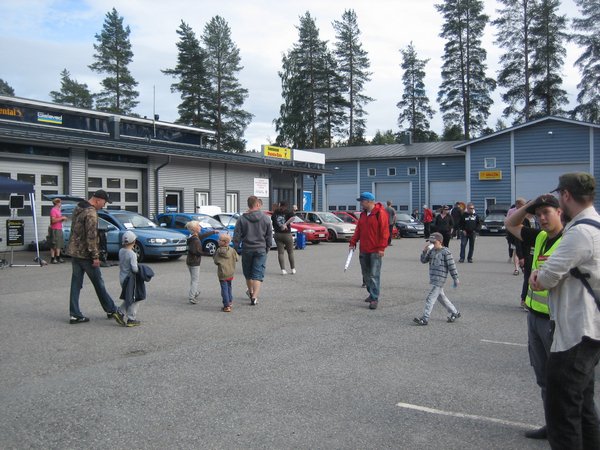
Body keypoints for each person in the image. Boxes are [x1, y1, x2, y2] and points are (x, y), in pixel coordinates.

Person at [529, 173, 600, 449]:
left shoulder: (579, 233)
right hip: (591, 327)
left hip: (575, 332)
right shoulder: (596, 225)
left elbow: (545, 278)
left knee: (562, 414)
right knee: (583, 407)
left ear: (566, 195)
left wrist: (537, 275)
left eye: (560, 195)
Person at [505, 194, 564, 441]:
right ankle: (553, 425)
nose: (542, 218)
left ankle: (571, 429)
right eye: (538, 215)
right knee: (544, 378)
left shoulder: (569, 241)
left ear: (560, 212)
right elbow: (511, 224)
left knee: (564, 380)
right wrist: (529, 205)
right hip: (535, 317)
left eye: (546, 213)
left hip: (557, 321)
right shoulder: (539, 236)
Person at [67, 189, 125, 325]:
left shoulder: (79, 207)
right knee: (98, 283)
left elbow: (74, 229)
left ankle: (74, 314)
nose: (104, 205)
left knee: (76, 284)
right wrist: (95, 256)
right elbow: (91, 236)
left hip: (75, 252)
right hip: (86, 255)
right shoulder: (91, 213)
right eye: (104, 202)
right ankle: (111, 309)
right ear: (98, 200)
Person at [349, 192, 389, 310]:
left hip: (375, 250)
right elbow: (358, 230)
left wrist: (381, 248)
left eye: (362, 201)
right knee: (366, 275)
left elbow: (385, 232)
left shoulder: (380, 213)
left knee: (374, 275)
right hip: (364, 249)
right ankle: (371, 293)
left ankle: (374, 298)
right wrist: (353, 242)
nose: (361, 203)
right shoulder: (363, 214)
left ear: (369, 201)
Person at [413, 232, 460, 326]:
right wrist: (424, 251)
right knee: (441, 297)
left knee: (430, 298)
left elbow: (452, 266)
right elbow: (423, 260)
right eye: (431, 242)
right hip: (433, 278)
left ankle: (425, 318)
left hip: (440, 279)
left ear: (440, 241)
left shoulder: (446, 252)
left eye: (434, 242)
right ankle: (454, 312)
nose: (432, 244)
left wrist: (455, 278)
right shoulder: (431, 251)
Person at [233, 195, 272, 306]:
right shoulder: (266, 218)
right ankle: (254, 297)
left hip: (247, 249)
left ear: (248, 205)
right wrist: (267, 247)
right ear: (258, 204)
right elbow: (269, 236)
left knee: (248, 273)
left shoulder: (241, 219)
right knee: (258, 274)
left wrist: (235, 249)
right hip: (261, 249)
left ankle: (250, 291)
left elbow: (237, 236)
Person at [186, 220, 218, 305]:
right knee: (195, 280)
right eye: (198, 226)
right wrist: (208, 253)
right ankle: (192, 297)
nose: (200, 227)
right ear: (195, 228)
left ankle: (195, 292)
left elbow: (203, 236)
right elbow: (196, 251)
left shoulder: (193, 236)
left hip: (190, 261)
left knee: (193, 279)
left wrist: (213, 232)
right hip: (194, 262)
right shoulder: (195, 240)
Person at [118, 230, 141, 327]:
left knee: (128, 297)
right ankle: (131, 318)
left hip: (122, 278)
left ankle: (120, 312)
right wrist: (140, 269)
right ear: (134, 241)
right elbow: (135, 269)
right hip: (130, 280)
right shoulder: (132, 254)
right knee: (134, 298)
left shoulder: (121, 251)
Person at [213, 233, 239, 312]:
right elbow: (237, 258)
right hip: (230, 272)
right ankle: (230, 302)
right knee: (229, 287)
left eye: (219, 240)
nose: (218, 240)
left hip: (222, 273)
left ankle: (226, 305)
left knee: (224, 289)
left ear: (224, 242)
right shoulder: (232, 250)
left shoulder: (218, 251)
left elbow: (216, 261)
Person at [271, 201, 296, 275]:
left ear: (279, 205)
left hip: (277, 234)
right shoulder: (288, 212)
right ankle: (293, 269)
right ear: (286, 206)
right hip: (287, 234)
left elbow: (273, 222)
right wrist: (285, 224)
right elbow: (293, 217)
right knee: (290, 252)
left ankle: (283, 270)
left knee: (280, 253)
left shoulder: (275, 213)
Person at [506, 198, 526, 274]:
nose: (523, 206)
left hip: (524, 233)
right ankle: (516, 269)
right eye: (522, 204)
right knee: (516, 250)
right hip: (514, 234)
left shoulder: (525, 210)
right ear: (517, 204)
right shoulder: (511, 211)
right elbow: (507, 221)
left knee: (524, 251)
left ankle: (523, 266)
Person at [48, 198, 67, 264]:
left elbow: (58, 219)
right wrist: (62, 218)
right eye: (60, 202)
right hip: (54, 229)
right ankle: (52, 258)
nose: (61, 204)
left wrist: (62, 219)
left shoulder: (58, 210)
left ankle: (58, 257)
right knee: (54, 244)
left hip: (59, 228)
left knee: (59, 244)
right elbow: (53, 220)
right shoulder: (53, 210)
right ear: (57, 203)